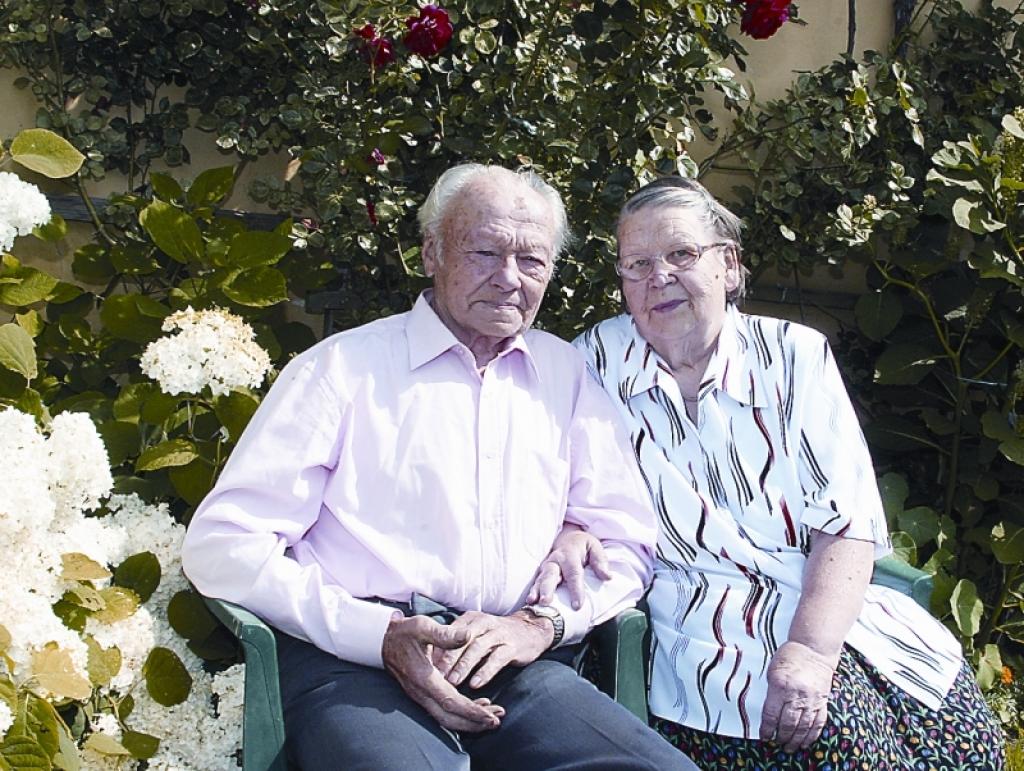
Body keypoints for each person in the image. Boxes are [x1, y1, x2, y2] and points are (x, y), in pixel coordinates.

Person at [181, 164, 698, 770]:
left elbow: (626, 541)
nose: (509, 278)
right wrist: (372, 633)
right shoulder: (340, 370)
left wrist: (543, 624)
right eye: (485, 253)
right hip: (356, 666)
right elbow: (224, 544)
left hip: (513, 658)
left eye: (531, 261)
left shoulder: (566, 375)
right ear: (432, 253)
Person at [534, 176, 1005, 769]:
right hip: (697, 624)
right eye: (637, 264)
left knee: (963, 745)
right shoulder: (594, 360)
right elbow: (565, 477)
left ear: (728, 266)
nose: (659, 277)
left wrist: (811, 650)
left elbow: (847, 521)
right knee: (838, 746)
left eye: (681, 253)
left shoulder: (793, 354)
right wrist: (573, 525)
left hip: (823, 604)